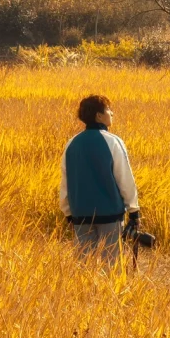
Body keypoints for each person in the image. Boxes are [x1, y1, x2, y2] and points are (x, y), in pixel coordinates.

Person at [59, 93, 139, 262]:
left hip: (80, 216)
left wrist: (68, 212)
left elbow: (65, 182)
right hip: (110, 216)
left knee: (83, 267)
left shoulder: (71, 144)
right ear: (99, 116)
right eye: (108, 109)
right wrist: (133, 211)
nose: (112, 113)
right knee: (111, 266)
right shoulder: (113, 142)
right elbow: (124, 178)